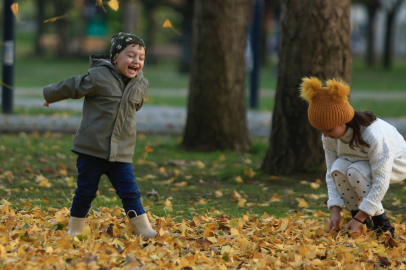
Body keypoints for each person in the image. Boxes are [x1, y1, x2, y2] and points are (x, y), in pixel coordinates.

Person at [43, 32, 157, 239]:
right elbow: (73, 86)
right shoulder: (98, 77)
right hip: (92, 150)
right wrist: (50, 95)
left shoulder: (141, 84)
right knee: (85, 192)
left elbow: (134, 108)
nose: (136, 61)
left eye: (141, 58)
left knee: (130, 192)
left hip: (121, 153)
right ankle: (75, 229)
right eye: (130, 55)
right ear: (115, 58)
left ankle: (144, 229)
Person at [299, 77, 406, 237]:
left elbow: (381, 181)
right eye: (321, 130)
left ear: (343, 121)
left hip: (397, 163)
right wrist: (335, 210)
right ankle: (362, 224)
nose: (325, 135)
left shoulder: (373, 135)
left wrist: (359, 218)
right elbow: (331, 173)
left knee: (354, 172)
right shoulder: (329, 137)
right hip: (359, 162)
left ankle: (382, 226)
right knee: (338, 168)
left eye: (328, 129)